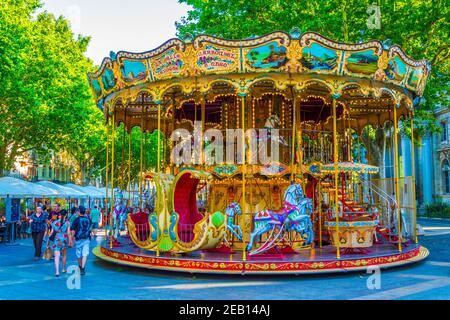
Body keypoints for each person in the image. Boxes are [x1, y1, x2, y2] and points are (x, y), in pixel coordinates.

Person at [48, 210, 71, 277]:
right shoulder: (67, 223)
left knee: (56, 256)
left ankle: (57, 271)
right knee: (64, 255)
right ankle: (63, 269)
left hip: (56, 239)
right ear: (66, 215)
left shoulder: (55, 222)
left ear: (59, 215)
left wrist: (48, 242)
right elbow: (69, 233)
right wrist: (70, 241)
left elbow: (51, 233)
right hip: (64, 240)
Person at [70, 206, 91, 275]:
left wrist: (71, 239)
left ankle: (80, 266)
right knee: (85, 253)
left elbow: (73, 231)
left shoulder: (76, 220)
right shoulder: (88, 219)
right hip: (86, 238)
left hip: (78, 239)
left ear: (79, 212)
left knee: (78, 253)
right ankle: (83, 268)